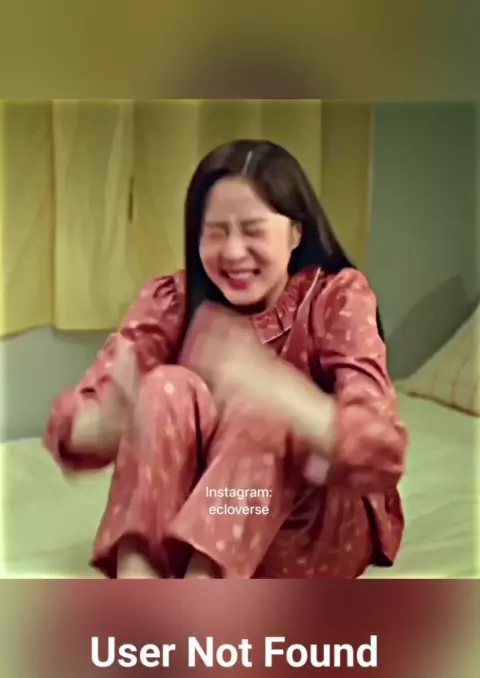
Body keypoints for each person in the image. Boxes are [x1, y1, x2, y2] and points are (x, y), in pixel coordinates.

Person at [43, 139, 408, 579]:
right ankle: (138, 588)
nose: (233, 252)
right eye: (215, 232)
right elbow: (77, 429)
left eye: (253, 230)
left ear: (296, 233)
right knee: (165, 388)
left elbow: (382, 449)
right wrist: (107, 423)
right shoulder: (173, 299)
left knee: (262, 411)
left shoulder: (336, 296)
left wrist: (276, 387)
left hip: (309, 530)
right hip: (197, 517)